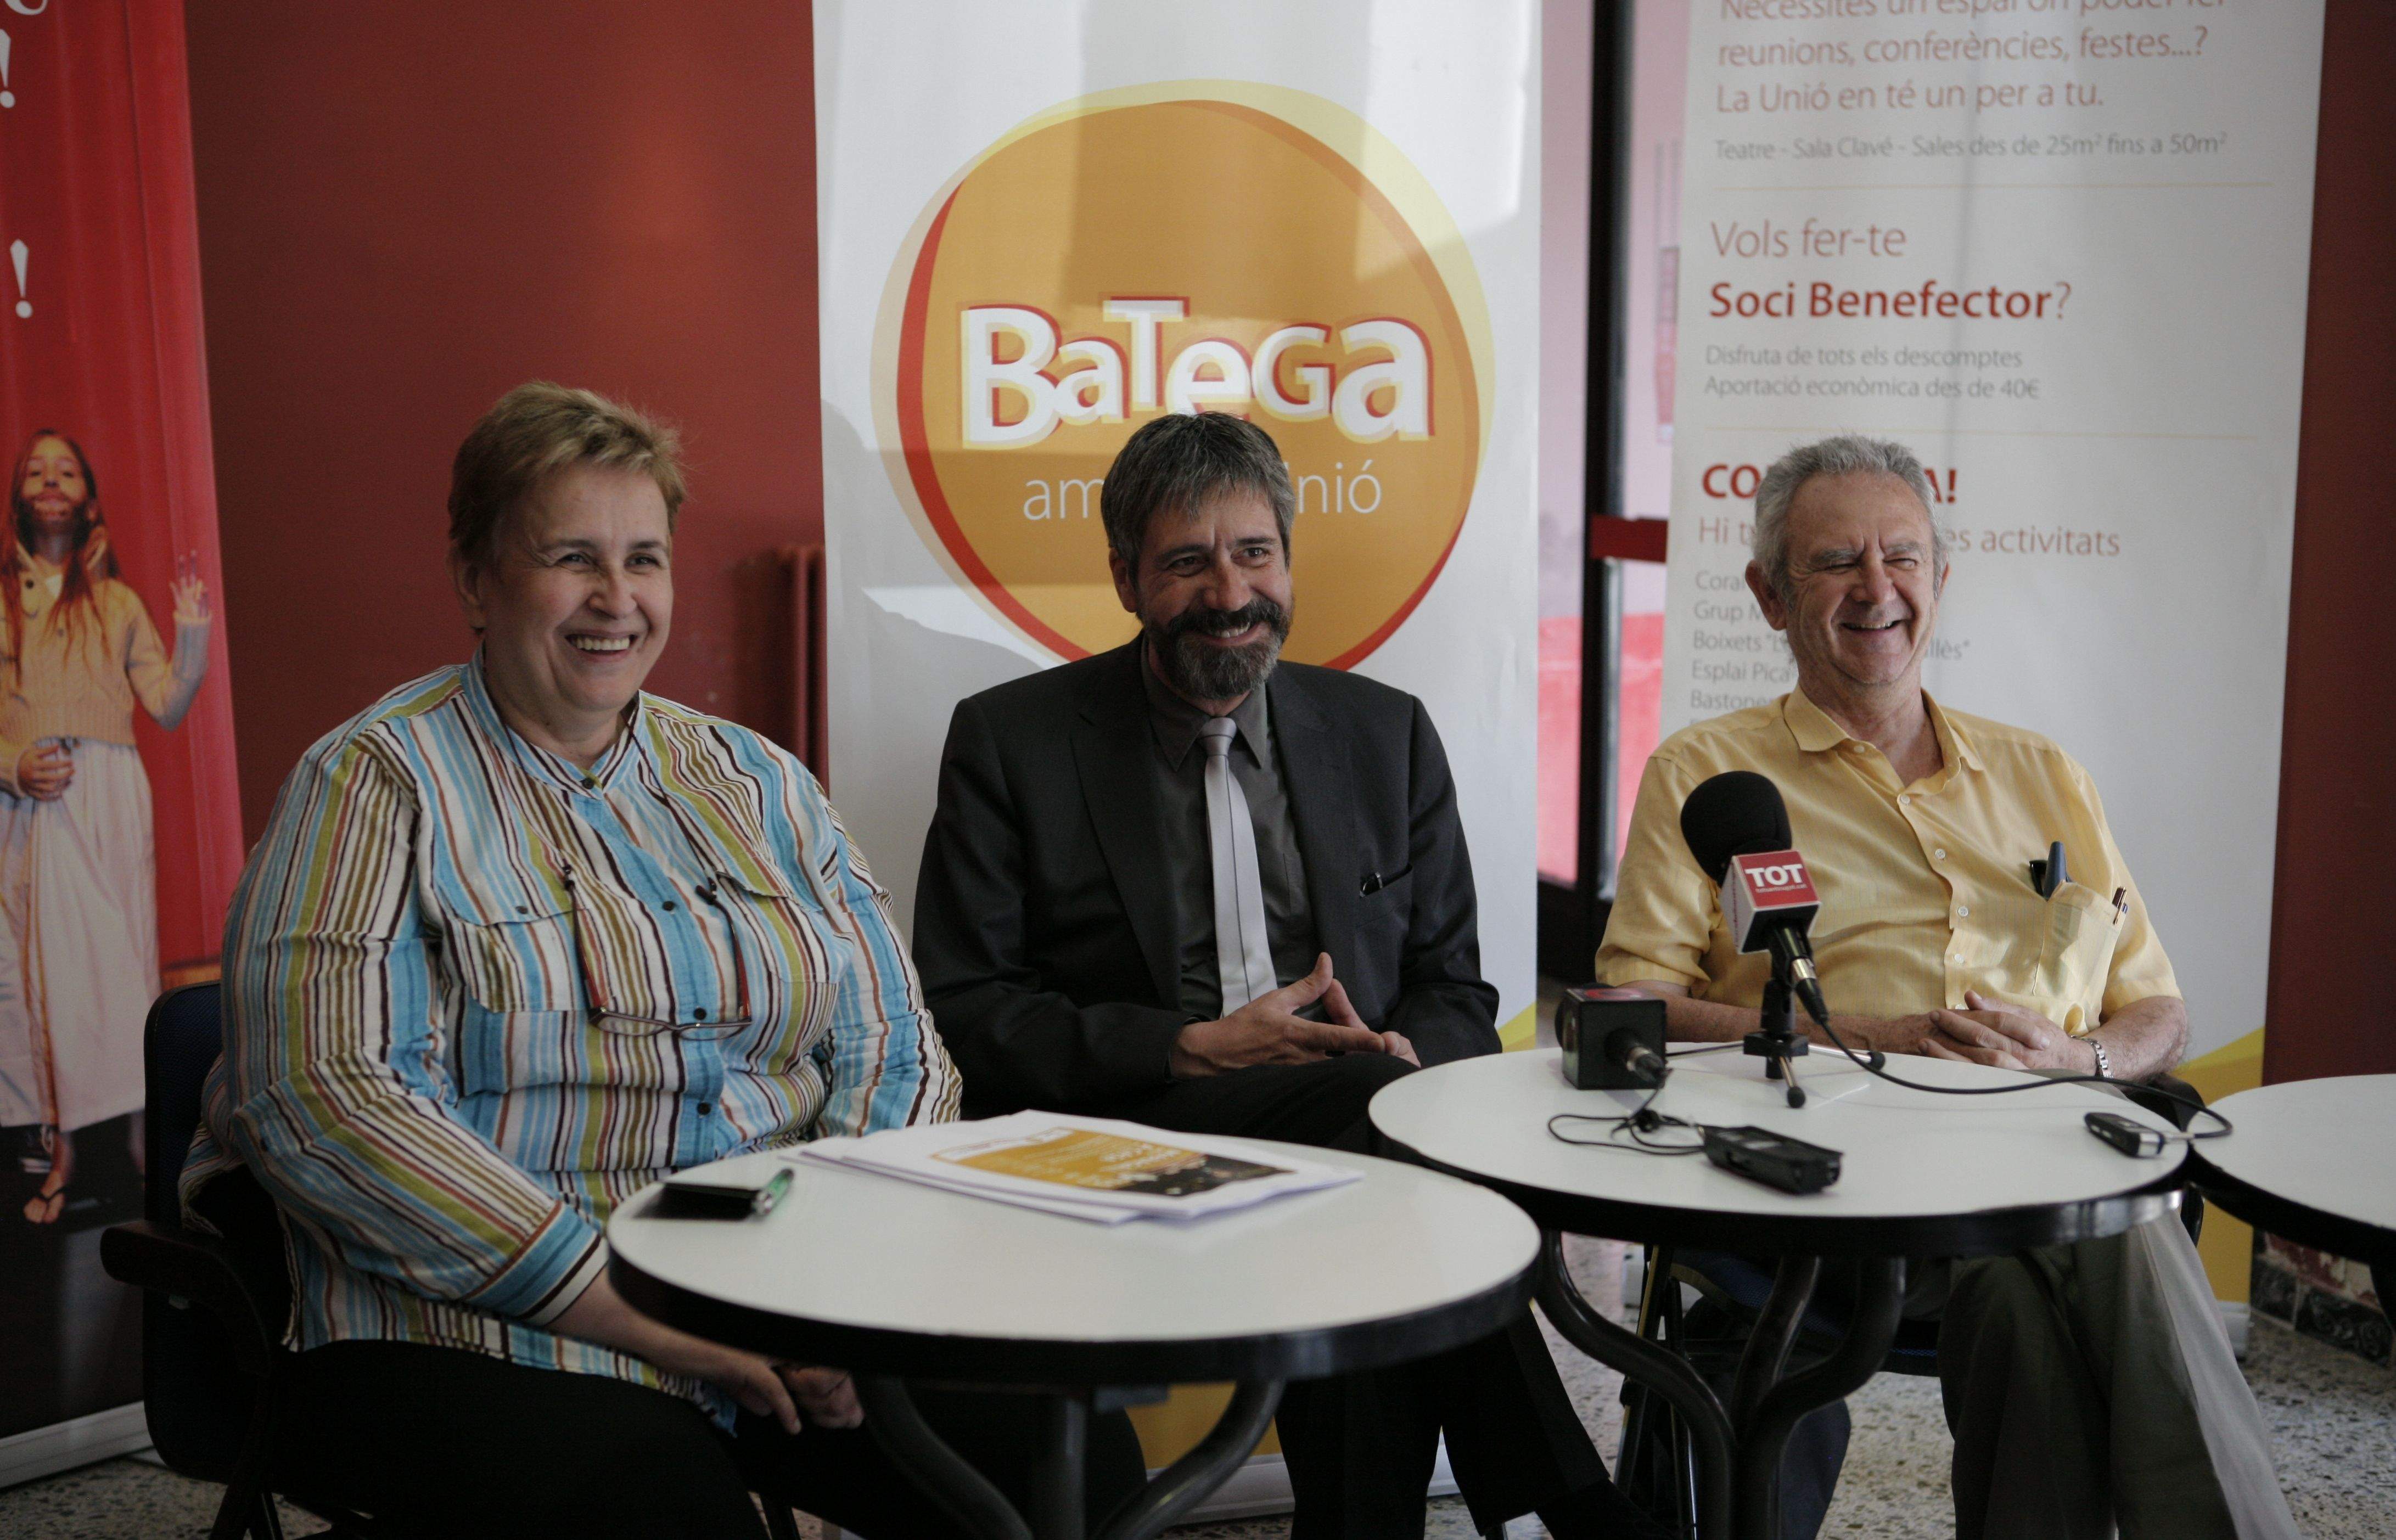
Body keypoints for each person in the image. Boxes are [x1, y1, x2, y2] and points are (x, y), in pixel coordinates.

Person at [181, 383, 1142, 1538]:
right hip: (470, 1318)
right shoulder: (372, 784)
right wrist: (644, 1310)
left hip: (777, 1280)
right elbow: (328, 1105)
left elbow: (891, 1043)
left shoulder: (757, 780)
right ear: (476, 578)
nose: (615, 599)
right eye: (569, 557)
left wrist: (828, 1285)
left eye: (644, 558)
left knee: (1061, 1451)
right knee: (664, 1504)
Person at [914, 411, 1656, 1540]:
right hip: (1125, 1131)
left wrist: (1406, 1066)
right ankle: (1570, 1496)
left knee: (1366, 1148)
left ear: (1288, 561)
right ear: (1123, 577)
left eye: (1254, 552)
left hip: (1355, 1118)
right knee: (1383, 1150)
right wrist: (1179, 1044)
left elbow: (1455, 985)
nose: (1229, 591)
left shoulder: (1383, 732)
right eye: (1186, 561)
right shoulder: (1014, 741)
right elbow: (965, 1005)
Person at [1597, 434, 2298, 1540]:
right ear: (1767, 596)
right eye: (1834, 562)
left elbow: (2156, 1009)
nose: (1875, 588)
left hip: (2035, 1148)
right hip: (1836, 1182)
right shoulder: (1709, 775)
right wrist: (1875, 1038)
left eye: (1902, 557)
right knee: (2108, 1215)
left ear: (1939, 579)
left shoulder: (2041, 772)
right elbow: (1635, 1002)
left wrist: (2082, 1058)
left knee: (2025, 1282)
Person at [0, 429, 210, 1225]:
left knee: (124, 974)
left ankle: (141, 1146)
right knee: (54, 981)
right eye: (36, 470)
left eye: (67, 470)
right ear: (21, 497)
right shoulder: (2, 602)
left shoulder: (117, 602)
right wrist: (14, 764)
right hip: (38, 801)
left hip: (115, 795)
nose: (51, 480)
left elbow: (165, 703)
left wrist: (191, 635)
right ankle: (64, 1154)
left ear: (87, 497)